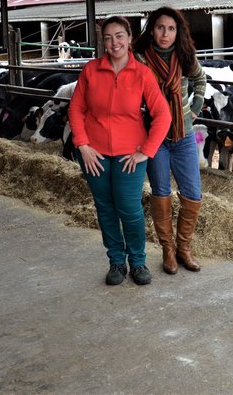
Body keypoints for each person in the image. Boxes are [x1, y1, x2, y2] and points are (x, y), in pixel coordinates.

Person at [68, 16, 171, 286]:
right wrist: (82, 144)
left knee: (130, 208)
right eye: (108, 38)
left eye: (119, 36)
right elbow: (76, 109)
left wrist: (146, 151)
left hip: (130, 155)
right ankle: (116, 260)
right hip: (94, 154)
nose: (114, 42)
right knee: (105, 208)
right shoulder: (91, 70)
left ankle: (137, 261)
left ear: (129, 38)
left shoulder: (142, 74)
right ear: (103, 42)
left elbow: (163, 115)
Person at [133, 6, 208, 275]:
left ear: (179, 32)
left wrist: (196, 107)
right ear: (151, 29)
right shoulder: (139, 59)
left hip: (184, 135)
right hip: (155, 137)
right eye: (161, 28)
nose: (166, 34)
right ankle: (167, 249)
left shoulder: (185, 55)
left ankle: (184, 248)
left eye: (171, 29)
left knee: (193, 193)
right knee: (161, 193)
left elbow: (201, 79)